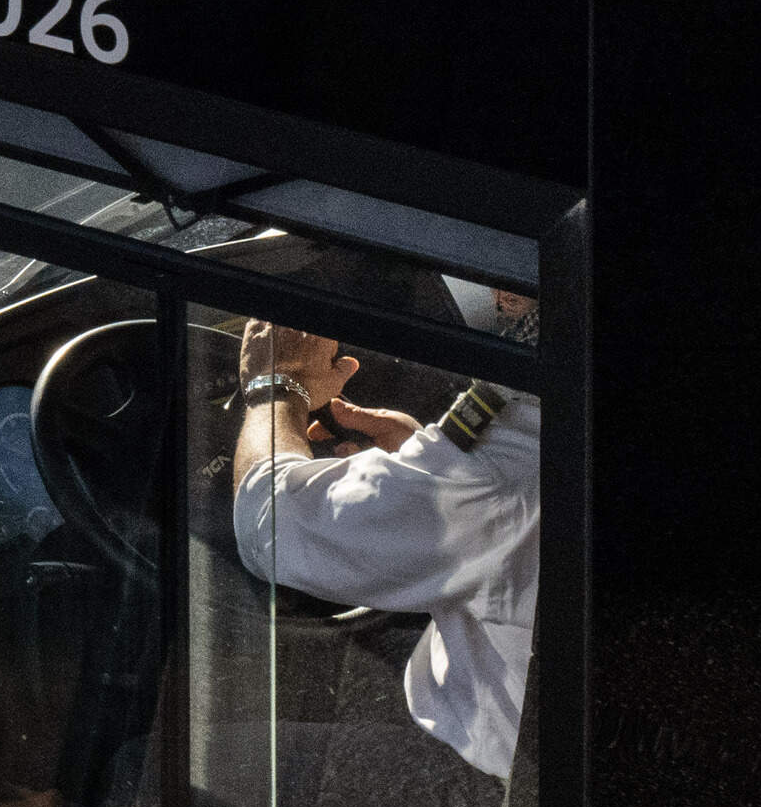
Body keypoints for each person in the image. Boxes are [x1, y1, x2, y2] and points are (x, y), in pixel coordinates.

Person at [230, 282, 542, 779]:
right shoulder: (548, 420)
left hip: (520, 768)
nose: (498, 296)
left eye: (518, 287)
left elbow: (268, 522)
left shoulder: (495, 468)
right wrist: (420, 461)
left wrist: (275, 384)